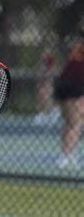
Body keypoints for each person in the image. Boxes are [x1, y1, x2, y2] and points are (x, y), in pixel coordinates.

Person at [54, 22, 84, 169]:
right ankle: (65, 155)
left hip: (63, 82)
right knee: (76, 123)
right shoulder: (78, 46)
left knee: (68, 122)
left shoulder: (76, 45)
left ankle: (66, 153)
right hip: (77, 83)